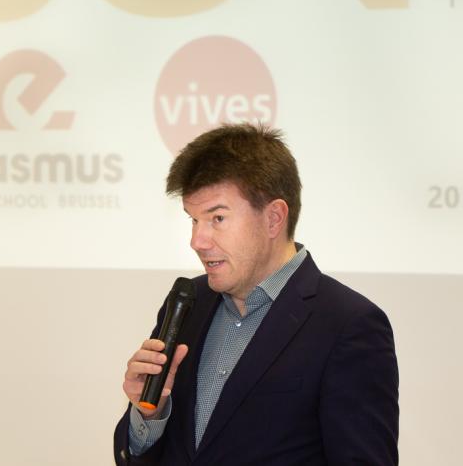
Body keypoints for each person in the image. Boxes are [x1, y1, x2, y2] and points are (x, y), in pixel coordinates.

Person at [114, 123, 399, 465]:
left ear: (274, 218)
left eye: (217, 218)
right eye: (193, 220)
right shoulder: (189, 303)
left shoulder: (348, 325)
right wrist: (149, 414)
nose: (197, 241)